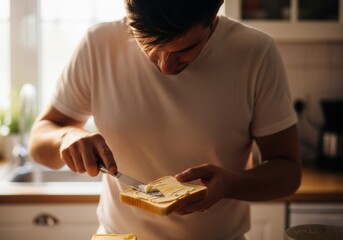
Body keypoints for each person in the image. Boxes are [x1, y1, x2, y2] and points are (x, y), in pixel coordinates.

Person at [28, 0, 302, 239]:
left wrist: (231, 184)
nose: (165, 66)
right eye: (149, 43)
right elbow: (40, 140)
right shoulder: (97, 44)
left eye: (185, 48)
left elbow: (288, 172)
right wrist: (66, 137)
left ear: (214, 12)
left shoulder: (255, 53)